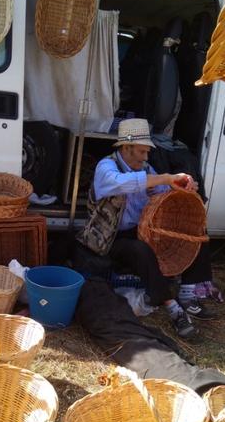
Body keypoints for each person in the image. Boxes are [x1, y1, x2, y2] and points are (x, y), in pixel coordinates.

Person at [76, 118, 217, 339]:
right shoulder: (107, 167)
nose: (145, 157)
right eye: (141, 152)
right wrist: (165, 177)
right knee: (140, 250)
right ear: (126, 148)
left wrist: (182, 188)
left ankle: (188, 294)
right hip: (110, 238)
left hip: (142, 230)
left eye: (147, 152)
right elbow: (122, 182)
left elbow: (161, 192)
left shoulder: (146, 169)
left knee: (196, 234)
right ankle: (173, 309)